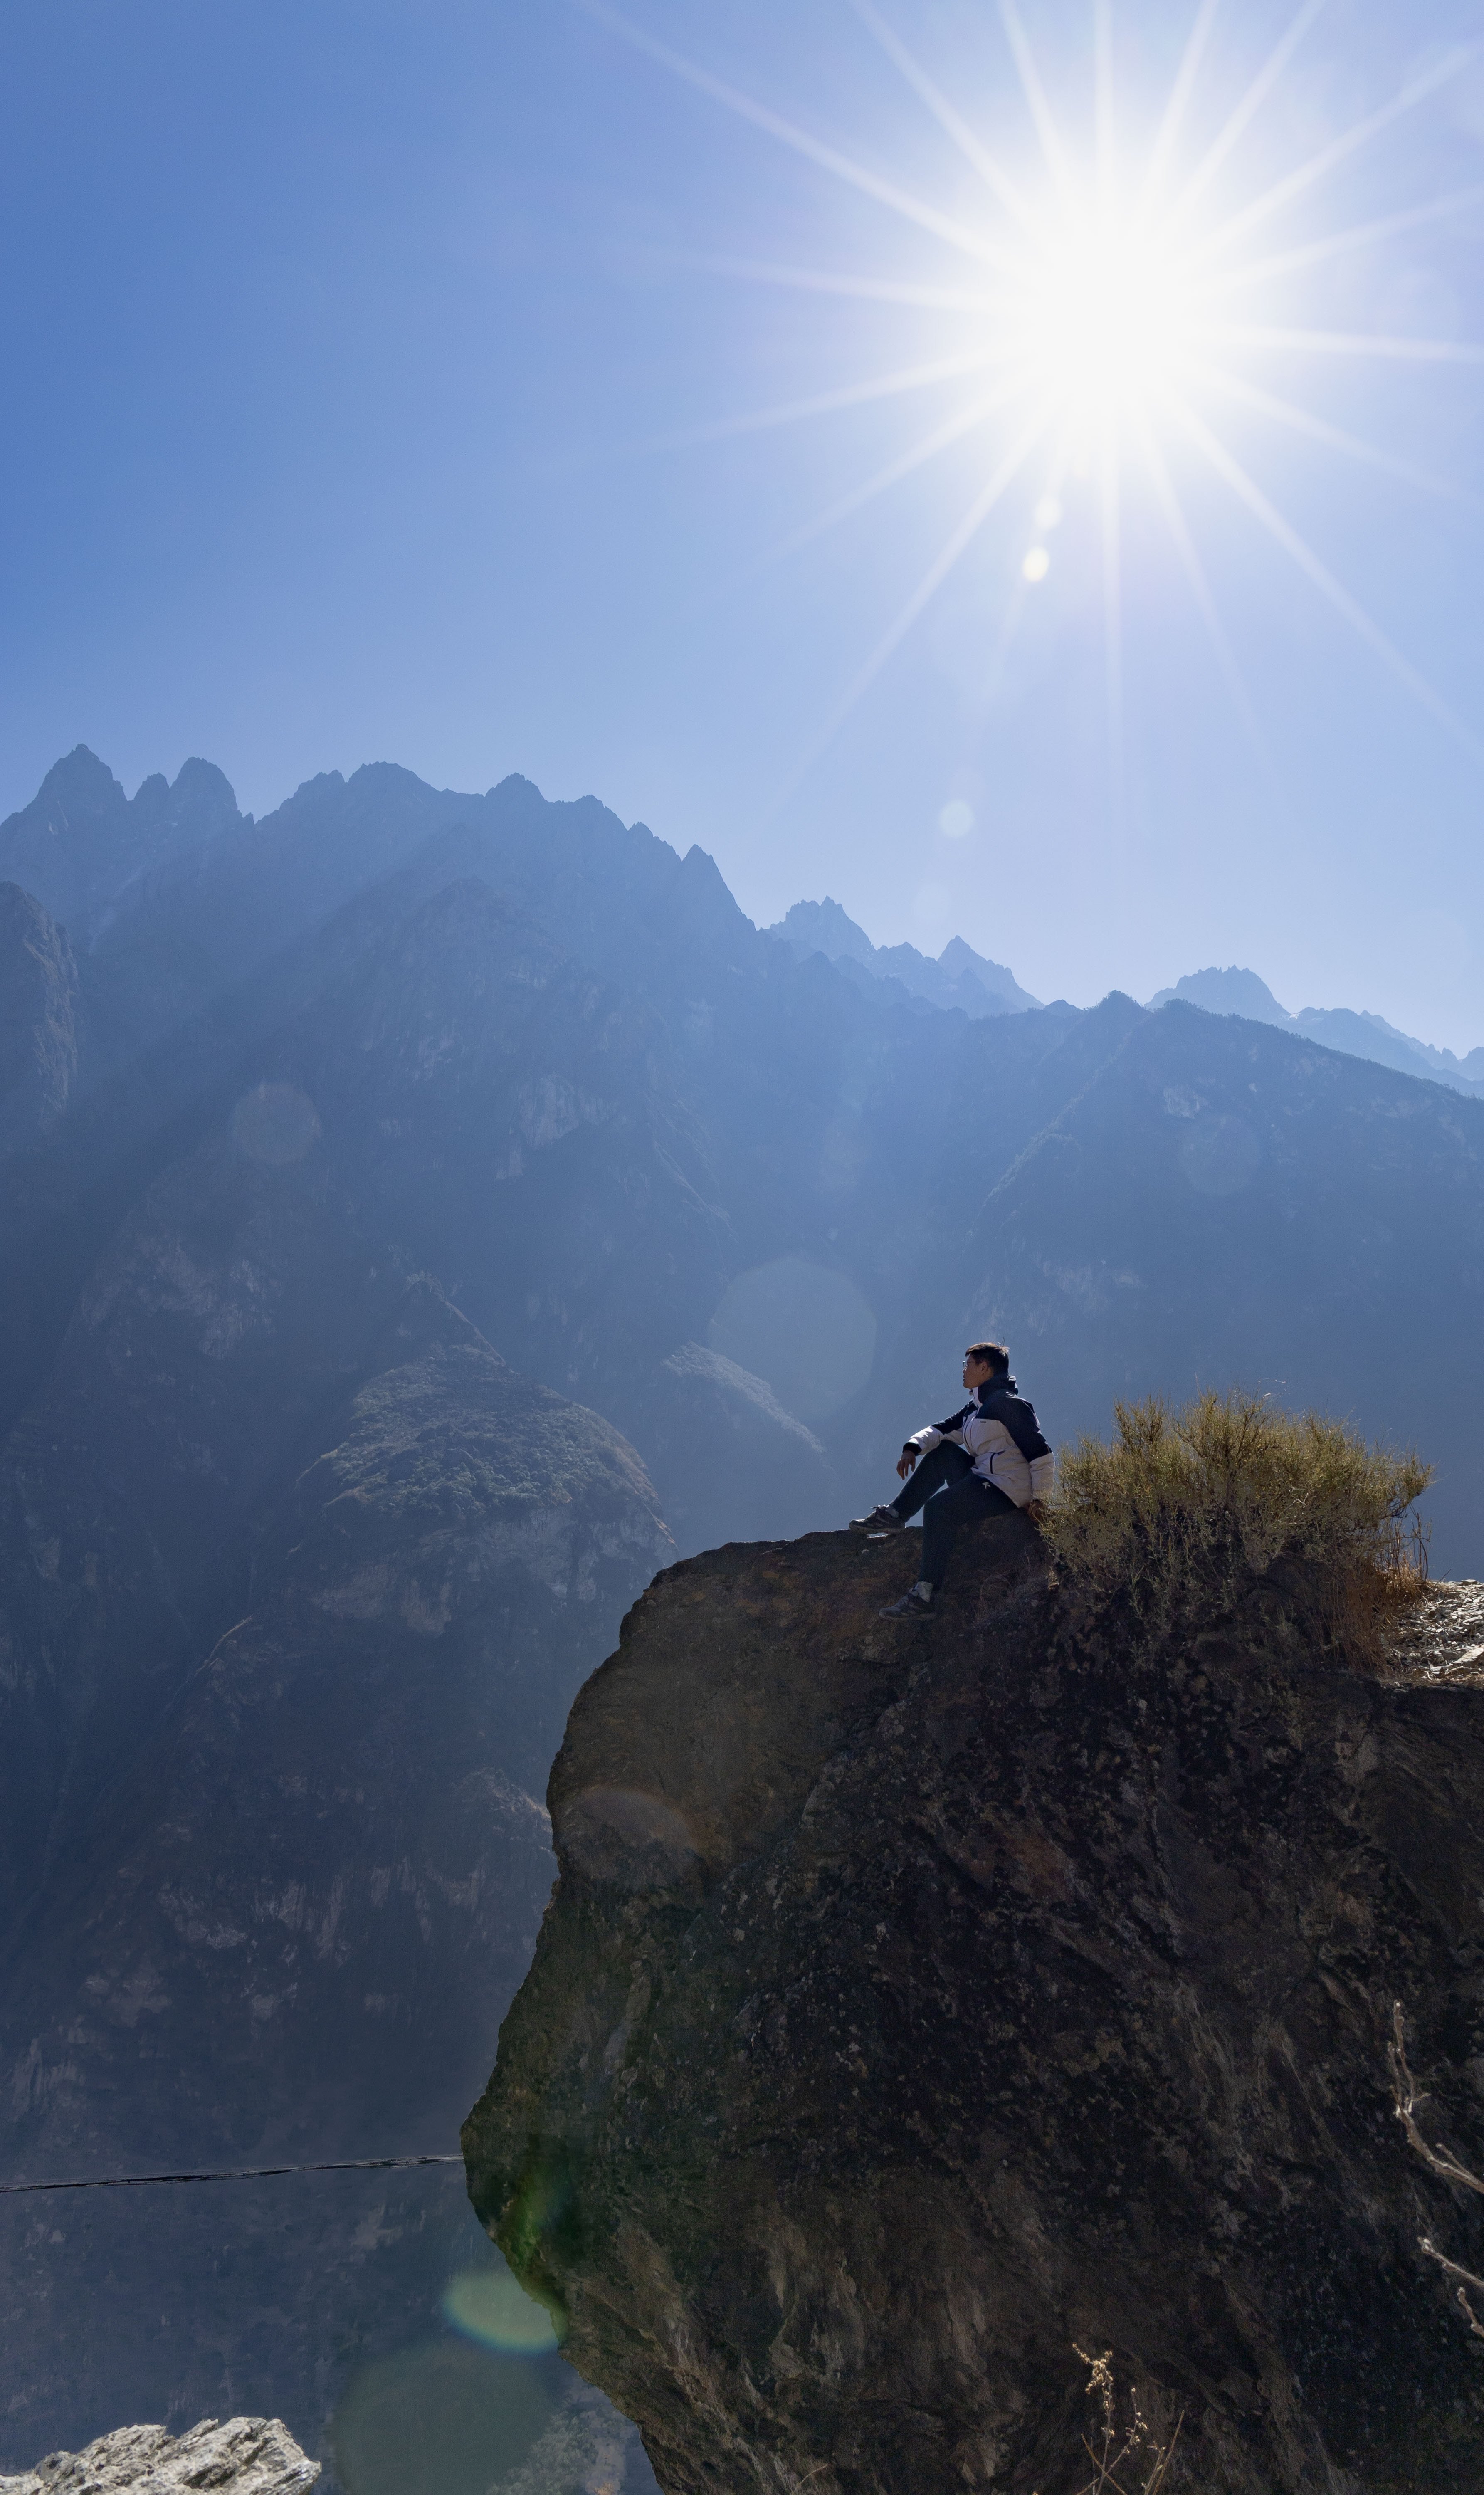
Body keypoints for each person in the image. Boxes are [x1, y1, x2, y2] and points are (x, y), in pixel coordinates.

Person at [852, 1341, 1053, 1621]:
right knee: (943, 1453)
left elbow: (1040, 1455)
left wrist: (1040, 1500)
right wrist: (911, 1447)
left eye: (967, 1365)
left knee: (939, 1509)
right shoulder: (977, 1406)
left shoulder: (1009, 1406)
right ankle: (895, 1516)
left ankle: (924, 1595)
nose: (963, 1371)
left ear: (984, 1368)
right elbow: (941, 1430)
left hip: (1007, 1488)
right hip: (985, 1478)